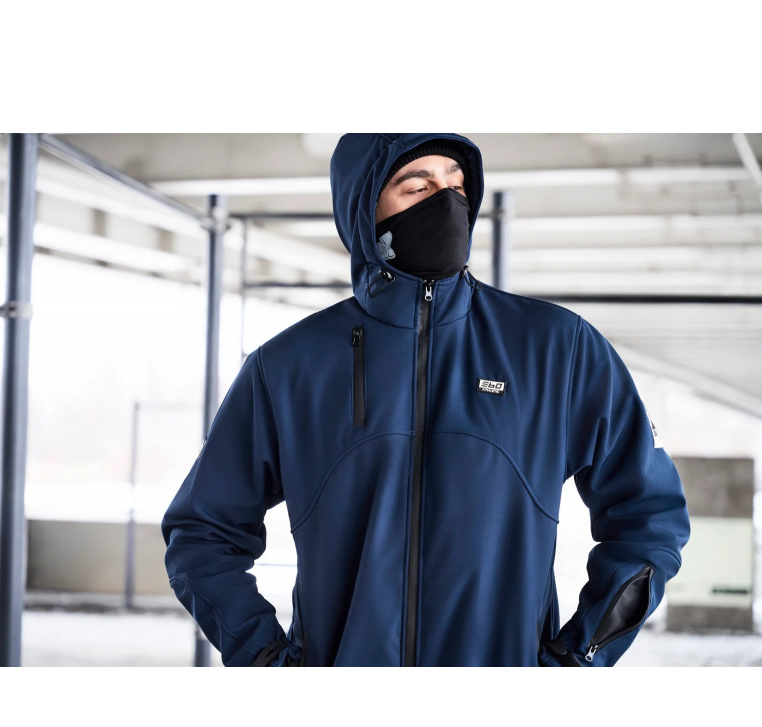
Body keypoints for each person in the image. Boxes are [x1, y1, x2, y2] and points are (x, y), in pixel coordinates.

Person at [161, 133, 690, 667]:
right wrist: (264, 657)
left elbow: (649, 517)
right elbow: (202, 533)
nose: (446, 203)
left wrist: (579, 656)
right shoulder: (290, 366)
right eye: (418, 187)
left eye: (456, 187)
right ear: (363, 211)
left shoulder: (557, 348)